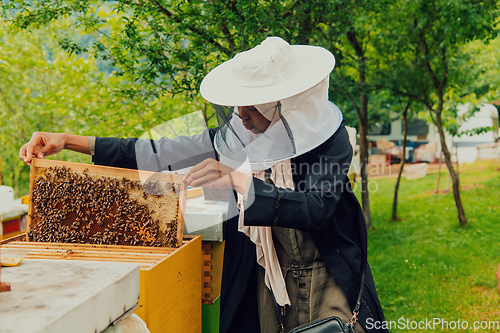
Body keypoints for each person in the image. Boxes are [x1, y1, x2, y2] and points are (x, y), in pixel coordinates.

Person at [20, 37, 387, 333]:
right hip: (268, 278)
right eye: (237, 110)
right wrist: (69, 140)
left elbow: (316, 209)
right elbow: (158, 151)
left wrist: (238, 179)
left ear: (283, 105)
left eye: (250, 111)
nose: (240, 119)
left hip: (327, 273)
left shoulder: (330, 140)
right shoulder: (238, 135)